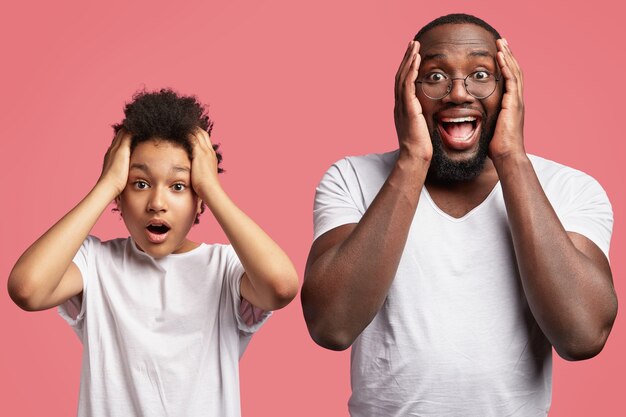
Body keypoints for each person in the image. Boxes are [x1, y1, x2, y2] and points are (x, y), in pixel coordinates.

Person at [301, 13, 617, 416]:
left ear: (509, 90)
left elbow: (583, 336)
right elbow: (331, 325)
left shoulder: (569, 189)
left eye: (481, 74)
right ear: (406, 92)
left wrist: (512, 158)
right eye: (434, 77)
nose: (458, 94)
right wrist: (413, 160)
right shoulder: (352, 179)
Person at [8, 89, 299, 417]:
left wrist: (212, 188)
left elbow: (280, 287)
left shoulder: (226, 267)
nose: (157, 203)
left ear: (199, 198)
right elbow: (27, 290)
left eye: (178, 186)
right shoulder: (95, 263)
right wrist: (105, 185)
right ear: (119, 195)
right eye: (140, 184)